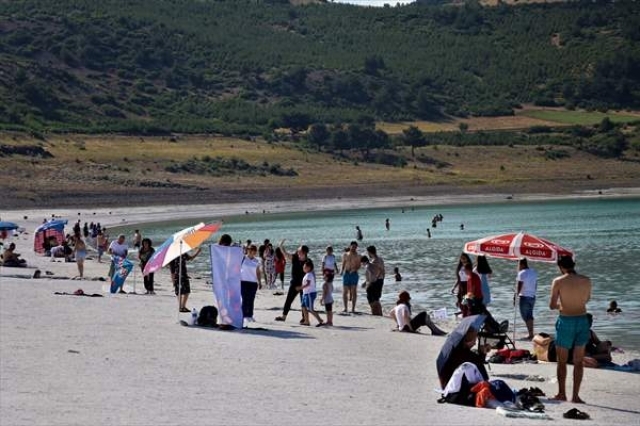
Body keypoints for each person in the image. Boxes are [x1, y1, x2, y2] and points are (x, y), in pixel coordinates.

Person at [549, 255, 592, 404]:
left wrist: (562, 305)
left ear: (561, 267)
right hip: (582, 320)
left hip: (566, 321)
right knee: (578, 361)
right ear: (573, 265)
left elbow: (552, 304)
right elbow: (586, 299)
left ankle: (562, 393)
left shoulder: (558, 281)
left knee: (562, 361)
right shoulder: (586, 280)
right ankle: (575, 396)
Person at [274, 243, 308, 323]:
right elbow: (285, 254)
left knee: (303, 302)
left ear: (304, 252)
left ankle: (304, 318)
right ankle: (283, 316)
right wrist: (281, 246)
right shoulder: (295, 258)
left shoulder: (308, 262)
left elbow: (311, 274)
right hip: (294, 283)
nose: (297, 251)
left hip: (303, 285)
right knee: (288, 300)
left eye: (299, 250)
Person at [170, 247, 202, 313]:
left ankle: (182, 306)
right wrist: (173, 280)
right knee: (181, 292)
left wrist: (198, 252)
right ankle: (181, 307)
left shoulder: (183, 253)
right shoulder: (172, 257)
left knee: (185, 291)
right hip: (178, 276)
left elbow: (190, 258)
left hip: (183, 274)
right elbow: (172, 270)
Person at [516, 257, 538, 340]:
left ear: (521, 264)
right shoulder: (533, 272)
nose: (517, 266)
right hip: (532, 296)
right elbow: (535, 284)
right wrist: (533, 293)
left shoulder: (521, 273)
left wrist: (516, 296)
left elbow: (519, 285)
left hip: (524, 296)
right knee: (530, 315)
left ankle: (530, 334)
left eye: (518, 264)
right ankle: (531, 333)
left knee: (525, 316)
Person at [240, 244, 261, 324]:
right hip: (243, 282)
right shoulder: (243, 258)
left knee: (251, 299)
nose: (251, 251)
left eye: (253, 250)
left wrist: (259, 282)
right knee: (245, 299)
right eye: (249, 249)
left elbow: (258, 272)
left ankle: (250, 315)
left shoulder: (256, 260)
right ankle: (244, 315)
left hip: (253, 282)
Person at [361, 245, 384, 316]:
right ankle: (379, 313)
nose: (368, 254)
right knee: (376, 299)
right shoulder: (379, 259)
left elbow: (377, 271)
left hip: (375, 281)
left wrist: (373, 280)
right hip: (380, 280)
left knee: (373, 299)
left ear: (370, 252)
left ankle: (376, 313)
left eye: (368, 253)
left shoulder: (374, 261)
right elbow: (382, 270)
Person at [300, 260, 324, 326]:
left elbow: (308, 284)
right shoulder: (307, 274)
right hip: (305, 293)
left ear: (309, 267)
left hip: (310, 294)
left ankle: (320, 320)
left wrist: (300, 288)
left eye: (305, 267)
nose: (303, 268)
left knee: (310, 309)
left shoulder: (309, 275)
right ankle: (306, 321)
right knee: (303, 307)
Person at [340, 241, 361, 313]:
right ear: (350, 246)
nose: (354, 248)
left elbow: (359, 265)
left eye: (355, 247)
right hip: (346, 273)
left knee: (354, 291)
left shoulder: (358, 256)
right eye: (353, 246)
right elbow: (343, 264)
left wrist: (354, 269)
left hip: (354, 274)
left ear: (357, 247)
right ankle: (345, 308)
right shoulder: (345, 255)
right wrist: (341, 271)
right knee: (345, 291)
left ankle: (353, 309)